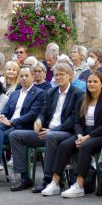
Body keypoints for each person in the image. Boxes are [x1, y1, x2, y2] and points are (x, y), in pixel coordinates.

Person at [44, 73, 102, 198]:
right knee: (64, 146)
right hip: (84, 133)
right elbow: (77, 122)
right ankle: (55, 182)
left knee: (85, 146)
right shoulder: (83, 98)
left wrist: (87, 138)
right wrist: (80, 135)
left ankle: (79, 185)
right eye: (89, 81)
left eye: (95, 81)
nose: (91, 84)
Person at [11, 63, 82, 194]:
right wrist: (39, 120)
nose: (58, 77)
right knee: (15, 135)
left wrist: (53, 131)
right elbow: (43, 112)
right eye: (56, 75)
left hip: (65, 133)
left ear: (70, 76)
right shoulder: (51, 92)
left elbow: (73, 119)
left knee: (50, 136)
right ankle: (24, 177)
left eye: (62, 74)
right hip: (47, 132)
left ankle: (48, 179)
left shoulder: (77, 94)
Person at [0, 66, 46, 187]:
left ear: (32, 77)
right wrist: (2, 117)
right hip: (9, 127)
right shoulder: (14, 94)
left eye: (27, 76)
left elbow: (33, 114)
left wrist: (12, 122)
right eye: (21, 76)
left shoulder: (39, 93)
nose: (24, 78)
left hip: (26, 128)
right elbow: (6, 111)